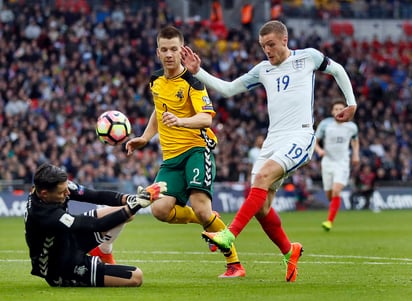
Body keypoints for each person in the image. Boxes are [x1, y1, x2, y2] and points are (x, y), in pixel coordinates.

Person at [181, 20, 357, 282]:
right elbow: (229, 89)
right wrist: (199, 71)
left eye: (271, 44)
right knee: (261, 207)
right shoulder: (262, 69)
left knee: (261, 179)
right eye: (263, 46)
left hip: (300, 135)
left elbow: (338, 70)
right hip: (272, 140)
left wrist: (351, 103)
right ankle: (289, 250)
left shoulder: (308, 57)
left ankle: (229, 235)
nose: (268, 50)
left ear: (284, 40)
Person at [125, 25, 245, 278]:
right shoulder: (155, 80)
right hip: (171, 158)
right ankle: (207, 220)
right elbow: (159, 110)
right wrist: (146, 137)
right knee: (159, 210)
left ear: (182, 50)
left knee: (202, 208)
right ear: (158, 52)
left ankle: (234, 264)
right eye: (165, 50)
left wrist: (181, 121)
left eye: (174, 49)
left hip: (196, 150)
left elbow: (206, 119)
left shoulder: (193, 82)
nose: (169, 54)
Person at [24, 163, 166, 287]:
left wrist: (132, 198)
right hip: (61, 266)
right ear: (44, 194)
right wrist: (135, 205)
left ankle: (103, 251)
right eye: (62, 192)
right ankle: (75, 276)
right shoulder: (44, 215)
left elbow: (95, 195)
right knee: (136, 277)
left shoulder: (52, 187)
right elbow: (97, 225)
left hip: (68, 238)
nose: (68, 193)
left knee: (122, 213)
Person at [314, 99, 360, 231]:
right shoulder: (325, 125)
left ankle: (329, 221)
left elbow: (355, 141)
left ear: (345, 111)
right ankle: (333, 206)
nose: (339, 111)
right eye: (336, 109)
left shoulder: (351, 127)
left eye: (341, 109)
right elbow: (315, 141)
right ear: (332, 111)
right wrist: (319, 150)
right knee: (329, 194)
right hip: (327, 162)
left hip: (342, 162)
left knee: (336, 190)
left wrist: (356, 154)